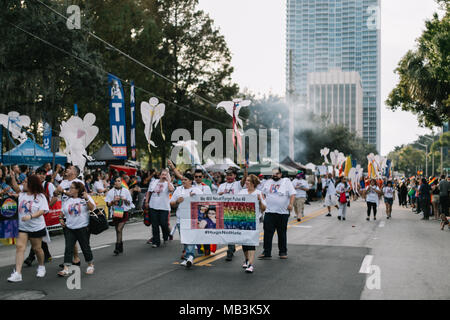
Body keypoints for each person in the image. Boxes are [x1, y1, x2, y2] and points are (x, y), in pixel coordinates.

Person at [7, 174, 49, 282]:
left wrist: (30, 216)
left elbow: (42, 211)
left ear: (31, 184)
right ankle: (17, 273)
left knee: (37, 249)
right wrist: (12, 178)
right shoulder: (22, 194)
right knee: (20, 247)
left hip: (36, 227)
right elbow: (16, 187)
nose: (23, 183)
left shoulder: (40, 197)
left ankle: (41, 266)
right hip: (23, 227)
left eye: (25, 182)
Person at [57, 182, 96, 276]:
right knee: (68, 248)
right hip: (69, 227)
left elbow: (92, 208)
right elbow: (62, 212)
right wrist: (60, 219)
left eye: (72, 188)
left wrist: (86, 199)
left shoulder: (85, 198)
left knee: (85, 247)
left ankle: (90, 265)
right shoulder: (67, 200)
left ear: (78, 190)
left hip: (83, 227)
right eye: (70, 188)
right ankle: (66, 268)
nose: (70, 189)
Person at [258, 168, 295, 260]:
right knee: (267, 233)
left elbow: (292, 194)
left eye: (277, 173)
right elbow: (262, 193)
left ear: (281, 174)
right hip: (269, 211)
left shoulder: (286, 182)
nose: (275, 175)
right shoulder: (268, 182)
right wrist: (263, 203)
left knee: (281, 233)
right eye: (274, 173)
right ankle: (266, 252)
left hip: (282, 212)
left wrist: (291, 204)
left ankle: (282, 252)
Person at [24, 167, 56, 266]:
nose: (42, 176)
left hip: (43, 214)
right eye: (40, 173)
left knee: (37, 234)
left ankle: (31, 257)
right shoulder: (32, 186)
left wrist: (46, 208)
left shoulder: (49, 185)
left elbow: (54, 197)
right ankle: (47, 255)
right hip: (36, 214)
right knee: (39, 235)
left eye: (44, 174)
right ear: (36, 175)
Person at [170, 173, 203, 268]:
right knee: (184, 239)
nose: (183, 181)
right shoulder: (178, 190)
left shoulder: (196, 190)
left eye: (185, 180)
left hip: (192, 218)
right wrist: (177, 201)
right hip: (181, 218)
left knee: (190, 238)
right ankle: (188, 256)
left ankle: (190, 257)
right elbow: (171, 203)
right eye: (182, 180)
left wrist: (195, 197)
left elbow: (204, 202)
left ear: (190, 181)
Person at [218, 167, 247, 261]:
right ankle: (230, 250)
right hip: (225, 211)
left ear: (235, 175)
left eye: (231, 175)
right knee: (228, 231)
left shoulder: (238, 184)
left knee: (236, 231)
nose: (228, 177)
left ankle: (236, 247)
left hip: (237, 211)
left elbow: (244, 179)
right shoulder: (222, 185)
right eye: (227, 175)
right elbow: (217, 198)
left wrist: (245, 169)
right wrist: (220, 195)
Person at [238, 174, 266, 273]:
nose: (246, 182)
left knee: (251, 241)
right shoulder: (241, 192)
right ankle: (246, 259)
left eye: (249, 181)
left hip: (253, 221)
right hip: (242, 220)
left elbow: (263, 209)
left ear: (253, 183)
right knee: (244, 242)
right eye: (246, 181)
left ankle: (250, 264)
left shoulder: (259, 193)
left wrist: (259, 201)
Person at [145, 169, 174, 248]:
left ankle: (165, 236)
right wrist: (146, 202)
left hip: (164, 207)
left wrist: (168, 181)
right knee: (155, 225)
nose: (164, 176)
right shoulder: (154, 182)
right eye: (163, 174)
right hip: (153, 206)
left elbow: (171, 190)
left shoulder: (169, 184)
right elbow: (149, 192)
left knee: (164, 224)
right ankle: (156, 242)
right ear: (160, 175)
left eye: (166, 174)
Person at [105, 176, 135, 255]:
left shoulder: (126, 191)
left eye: (119, 181)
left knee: (119, 229)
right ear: (114, 182)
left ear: (121, 182)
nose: (117, 182)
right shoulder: (111, 192)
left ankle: (117, 248)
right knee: (118, 230)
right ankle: (120, 245)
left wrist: (125, 200)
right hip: (116, 211)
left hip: (124, 211)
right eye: (116, 181)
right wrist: (113, 201)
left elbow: (130, 203)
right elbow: (108, 204)